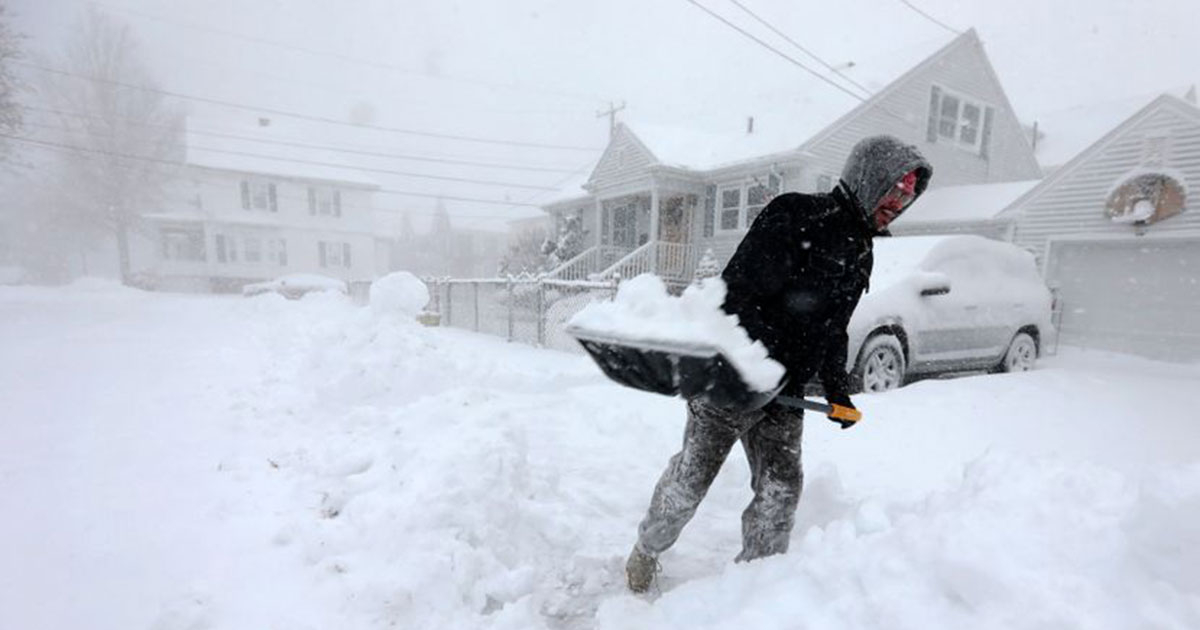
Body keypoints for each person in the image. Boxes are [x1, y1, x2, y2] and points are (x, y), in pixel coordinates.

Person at [625, 135, 932, 593]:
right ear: (869, 179)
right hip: (730, 381)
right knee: (690, 481)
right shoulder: (796, 214)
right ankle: (645, 552)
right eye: (895, 187)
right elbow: (736, 294)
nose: (900, 200)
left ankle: (754, 588)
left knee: (780, 493)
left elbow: (835, 327)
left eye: (908, 193)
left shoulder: (862, 249)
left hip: (784, 396)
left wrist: (836, 391)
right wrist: (753, 366)